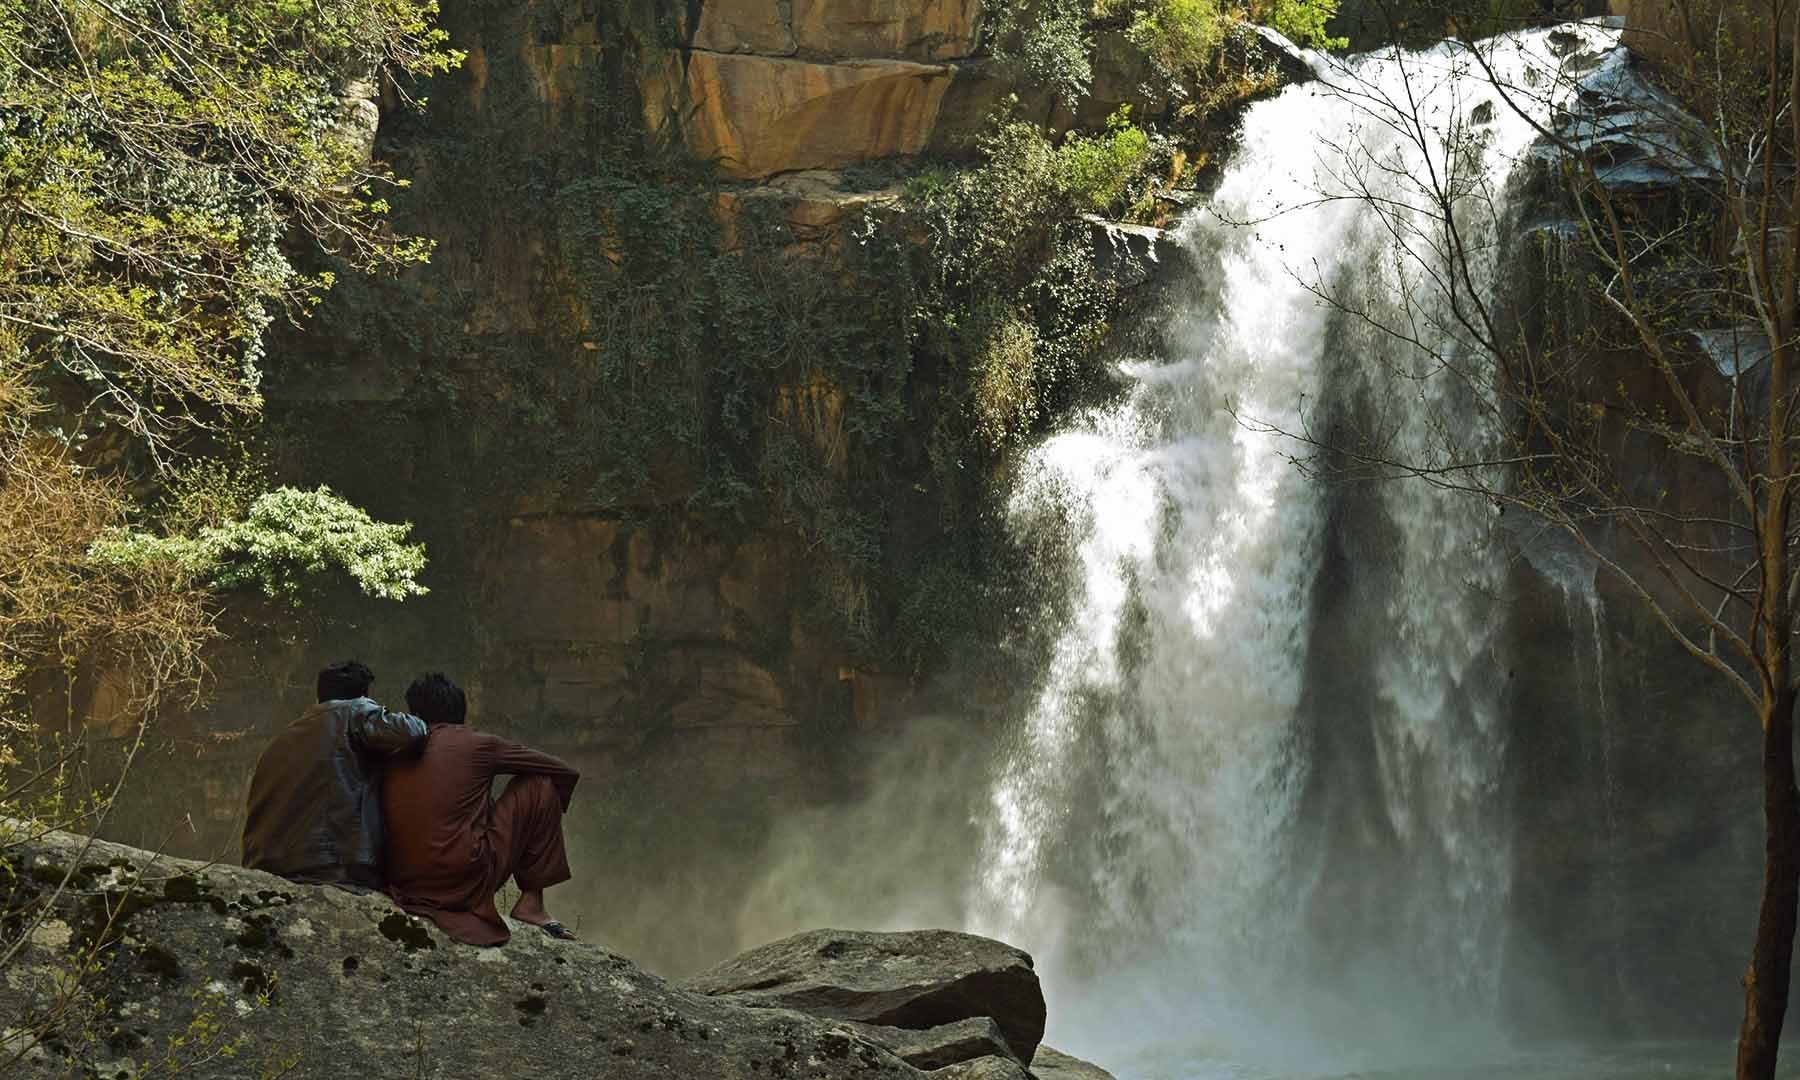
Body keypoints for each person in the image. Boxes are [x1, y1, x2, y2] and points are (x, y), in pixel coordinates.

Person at [382, 672, 580, 945]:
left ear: (413, 713)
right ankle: (531, 904)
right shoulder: (479, 744)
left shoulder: (390, 749)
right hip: (464, 883)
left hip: (402, 883)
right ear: (461, 712)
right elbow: (563, 772)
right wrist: (541, 830)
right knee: (540, 785)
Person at [241, 659, 427, 890]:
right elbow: (413, 731)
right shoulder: (353, 711)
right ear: (363, 695)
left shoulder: (282, 738)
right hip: (329, 863)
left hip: (271, 865)